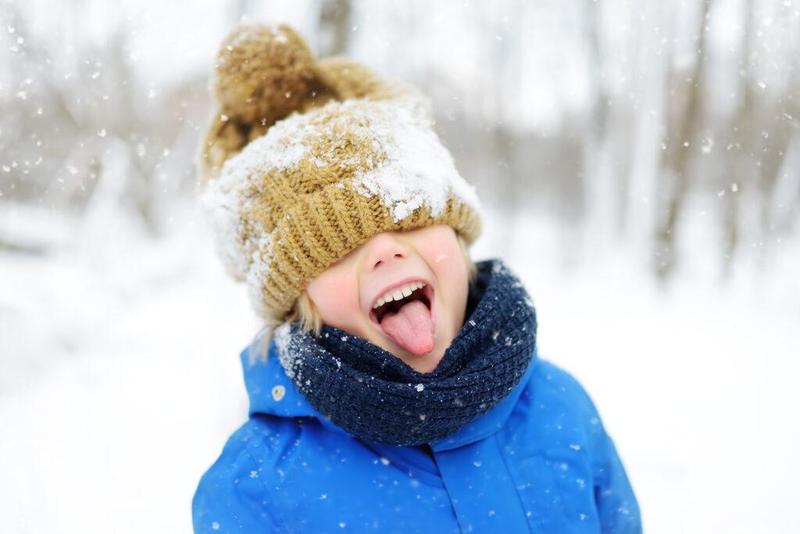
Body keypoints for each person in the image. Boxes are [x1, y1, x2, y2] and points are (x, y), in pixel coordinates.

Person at [192, 22, 641, 533]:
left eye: (408, 216)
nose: (385, 250)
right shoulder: (257, 487)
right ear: (295, 301)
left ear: (458, 235)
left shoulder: (560, 407)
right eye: (336, 248)